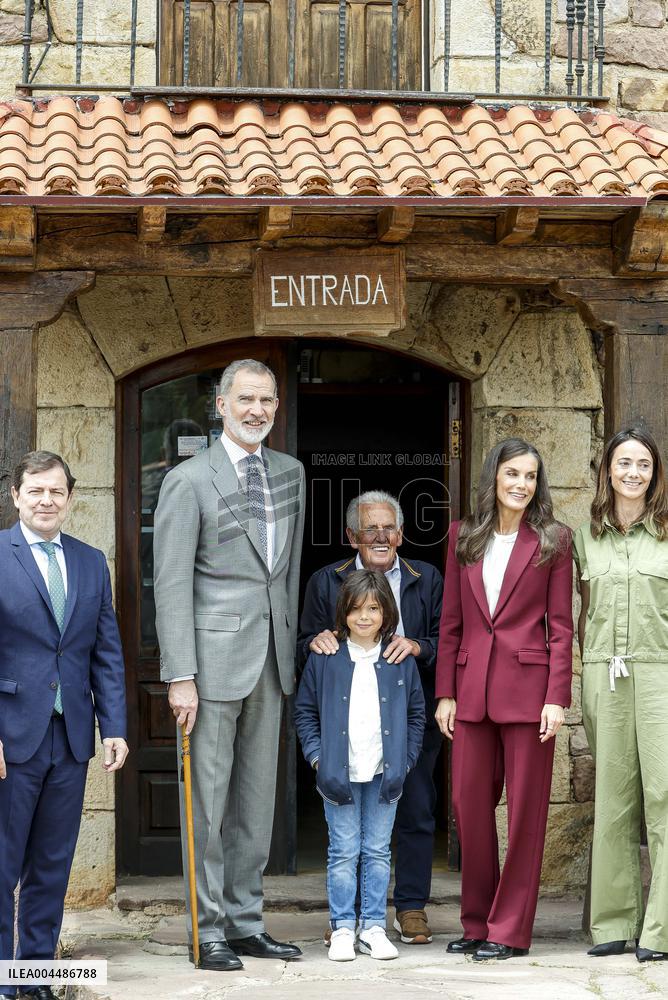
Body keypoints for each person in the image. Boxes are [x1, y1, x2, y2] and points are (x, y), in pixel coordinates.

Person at [153, 358, 305, 972]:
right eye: (245, 399)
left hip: (271, 661)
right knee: (208, 806)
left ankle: (245, 922)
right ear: (221, 405)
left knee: (256, 803)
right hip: (210, 666)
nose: (257, 410)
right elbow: (170, 582)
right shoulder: (188, 480)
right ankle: (206, 926)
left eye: (267, 400)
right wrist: (179, 673)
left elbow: (285, 575)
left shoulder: (291, 473)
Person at [435, 437, 572, 961]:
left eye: (530, 477)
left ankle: (509, 930)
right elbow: (450, 624)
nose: (521, 485)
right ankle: (476, 922)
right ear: (494, 475)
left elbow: (560, 629)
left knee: (526, 816)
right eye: (513, 473)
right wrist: (445, 690)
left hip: (530, 695)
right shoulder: (461, 537)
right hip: (470, 695)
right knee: (469, 809)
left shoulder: (554, 540)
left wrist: (556, 697)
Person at [0, 451, 128, 1000]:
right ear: (16, 496)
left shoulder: (90, 560)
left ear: (71, 499)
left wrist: (114, 725)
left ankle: (33, 976)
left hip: (71, 737)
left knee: (53, 865)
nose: (47, 501)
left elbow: (106, 650)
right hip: (10, 736)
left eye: (57, 492)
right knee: (3, 863)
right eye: (37, 491)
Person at [299, 490, 443, 945]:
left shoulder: (428, 577)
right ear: (351, 536)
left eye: (388, 528)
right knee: (347, 836)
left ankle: (412, 907)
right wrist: (316, 642)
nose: (380, 537)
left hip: (406, 714)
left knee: (416, 808)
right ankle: (348, 920)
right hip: (348, 719)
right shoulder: (326, 580)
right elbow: (307, 639)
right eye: (369, 529)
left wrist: (418, 646)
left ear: (401, 534)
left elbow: (448, 639)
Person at [295, 569, 425, 962]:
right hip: (339, 773)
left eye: (372, 608)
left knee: (378, 850)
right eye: (355, 610)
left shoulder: (397, 658)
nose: (364, 617)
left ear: (387, 611)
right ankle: (342, 928)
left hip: (385, 773)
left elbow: (417, 714)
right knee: (343, 851)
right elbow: (305, 713)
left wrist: (405, 760)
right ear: (342, 613)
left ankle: (372, 926)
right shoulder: (327, 656)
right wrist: (318, 757)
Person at [574, 426, 668, 963]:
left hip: (660, 674)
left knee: (663, 797)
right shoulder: (587, 537)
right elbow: (575, 612)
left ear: (654, 475)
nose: (633, 473)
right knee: (612, 797)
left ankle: (659, 930)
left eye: (644, 465)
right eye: (624, 463)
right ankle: (613, 923)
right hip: (604, 675)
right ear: (607, 469)